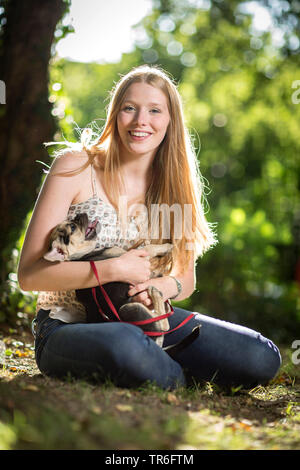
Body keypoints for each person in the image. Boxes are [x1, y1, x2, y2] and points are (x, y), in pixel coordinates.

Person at [17, 65, 281, 390]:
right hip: (67, 327)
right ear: (116, 114)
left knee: (261, 356)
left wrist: (157, 289)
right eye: (130, 108)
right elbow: (29, 276)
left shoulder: (174, 184)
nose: (141, 120)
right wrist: (113, 268)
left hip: (149, 322)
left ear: (170, 121)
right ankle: (178, 376)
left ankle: (158, 363)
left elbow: (184, 280)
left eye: (155, 110)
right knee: (125, 343)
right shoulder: (75, 167)